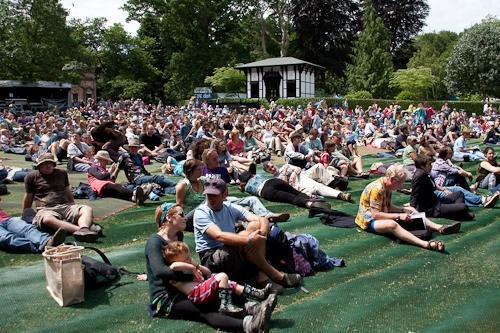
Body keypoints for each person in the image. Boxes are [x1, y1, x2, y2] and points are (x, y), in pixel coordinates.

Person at [145, 203, 274, 332]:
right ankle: (251, 325)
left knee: (222, 289)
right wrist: (192, 274)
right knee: (204, 309)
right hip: (167, 296)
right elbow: (160, 271)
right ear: (169, 217)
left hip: (185, 286)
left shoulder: (178, 236)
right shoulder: (155, 242)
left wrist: (198, 273)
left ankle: (253, 309)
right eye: (181, 214)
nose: (185, 217)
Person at [194, 178, 303, 291]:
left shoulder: (229, 207)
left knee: (255, 225)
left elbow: (262, 219)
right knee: (246, 235)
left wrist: (262, 235)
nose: (211, 199)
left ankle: (262, 277)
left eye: (215, 195)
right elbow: (219, 236)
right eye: (208, 195)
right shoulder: (201, 212)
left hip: (230, 251)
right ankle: (275, 275)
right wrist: (250, 239)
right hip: (212, 258)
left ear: (225, 194)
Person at [355, 163, 458, 252]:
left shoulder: (387, 187)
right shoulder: (377, 189)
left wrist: (404, 210)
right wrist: (399, 215)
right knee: (392, 224)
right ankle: (425, 244)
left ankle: (439, 227)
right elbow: (375, 215)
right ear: (391, 179)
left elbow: (388, 207)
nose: (400, 186)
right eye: (399, 182)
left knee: (411, 210)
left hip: (379, 214)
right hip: (368, 221)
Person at [162, 240, 274, 316]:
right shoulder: (175, 267)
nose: (189, 260)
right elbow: (174, 266)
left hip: (202, 290)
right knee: (222, 276)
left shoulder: (191, 267)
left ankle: (257, 294)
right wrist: (191, 267)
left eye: (189, 257)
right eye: (185, 259)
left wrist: (197, 266)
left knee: (228, 282)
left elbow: (208, 272)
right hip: (196, 294)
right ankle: (225, 306)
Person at [176, 159, 289, 232]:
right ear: (190, 171)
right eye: (198, 169)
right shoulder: (183, 185)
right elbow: (179, 205)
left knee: (251, 199)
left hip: (213, 205)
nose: (202, 170)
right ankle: (246, 221)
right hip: (196, 214)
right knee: (209, 201)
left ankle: (266, 215)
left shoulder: (203, 180)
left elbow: (219, 185)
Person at [23, 153, 101, 242]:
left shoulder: (62, 173)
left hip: (66, 206)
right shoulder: (31, 177)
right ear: (39, 166)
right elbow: (29, 196)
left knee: (87, 209)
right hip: (46, 209)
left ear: (53, 164)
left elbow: (67, 191)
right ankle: (82, 230)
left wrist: (73, 205)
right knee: (47, 220)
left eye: (50, 163)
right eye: (44, 163)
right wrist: (25, 212)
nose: (48, 165)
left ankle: (83, 228)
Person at [411, 154, 479, 221]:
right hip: (433, 208)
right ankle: (458, 214)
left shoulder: (425, 173)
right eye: (429, 164)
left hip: (436, 201)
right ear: (423, 166)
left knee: (459, 194)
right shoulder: (419, 176)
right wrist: (412, 211)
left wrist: (443, 190)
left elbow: (434, 185)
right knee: (464, 207)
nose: (431, 166)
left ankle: (457, 214)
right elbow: (414, 195)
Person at [0, 197, 66, 253]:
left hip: (7, 219)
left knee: (27, 228)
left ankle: (47, 241)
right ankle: (40, 246)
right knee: (6, 238)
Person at [262, 162, 351, 202]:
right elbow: (285, 184)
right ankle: (339, 194)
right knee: (317, 186)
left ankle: (333, 185)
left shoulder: (285, 166)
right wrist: (285, 173)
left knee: (319, 166)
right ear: (268, 172)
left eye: (272, 166)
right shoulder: (275, 179)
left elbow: (298, 168)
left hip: (302, 174)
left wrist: (293, 172)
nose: (272, 169)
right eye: (270, 169)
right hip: (298, 182)